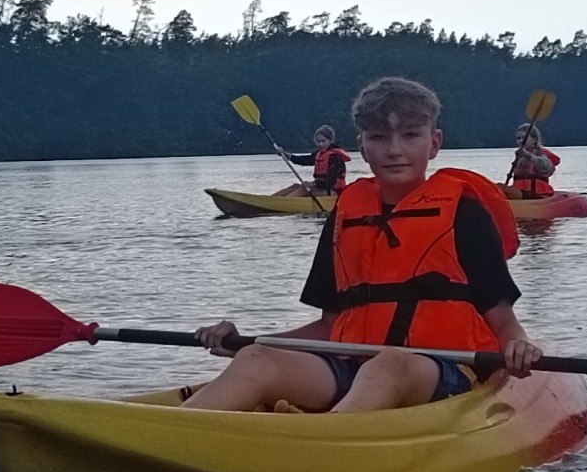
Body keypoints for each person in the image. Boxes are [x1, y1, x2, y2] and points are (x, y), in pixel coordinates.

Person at [187, 76, 541, 413]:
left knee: (389, 363)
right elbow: (329, 327)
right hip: (350, 367)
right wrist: (246, 343)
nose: (395, 150)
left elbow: (502, 321)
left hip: (444, 369)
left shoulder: (465, 214)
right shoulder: (346, 214)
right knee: (256, 358)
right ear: (362, 146)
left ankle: (325, 436)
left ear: (434, 143)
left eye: (410, 135)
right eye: (379, 137)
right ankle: (180, 428)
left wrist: (519, 345)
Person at [281, 124, 350, 198]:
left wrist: (312, 184)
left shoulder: (335, 157)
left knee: (304, 189)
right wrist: (289, 156)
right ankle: (275, 200)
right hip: (321, 188)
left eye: (323, 141)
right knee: (295, 186)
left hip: (333, 191)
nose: (320, 144)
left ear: (330, 140)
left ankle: (284, 202)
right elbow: (305, 160)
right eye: (318, 141)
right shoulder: (319, 154)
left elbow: (331, 181)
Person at [506, 122, 559, 200]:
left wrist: (529, 156)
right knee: (499, 187)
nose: (521, 141)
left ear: (534, 139)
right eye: (518, 138)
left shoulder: (541, 154)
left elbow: (546, 167)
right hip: (521, 192)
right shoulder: (520, 157)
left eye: (524, 138)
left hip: (537, 193)